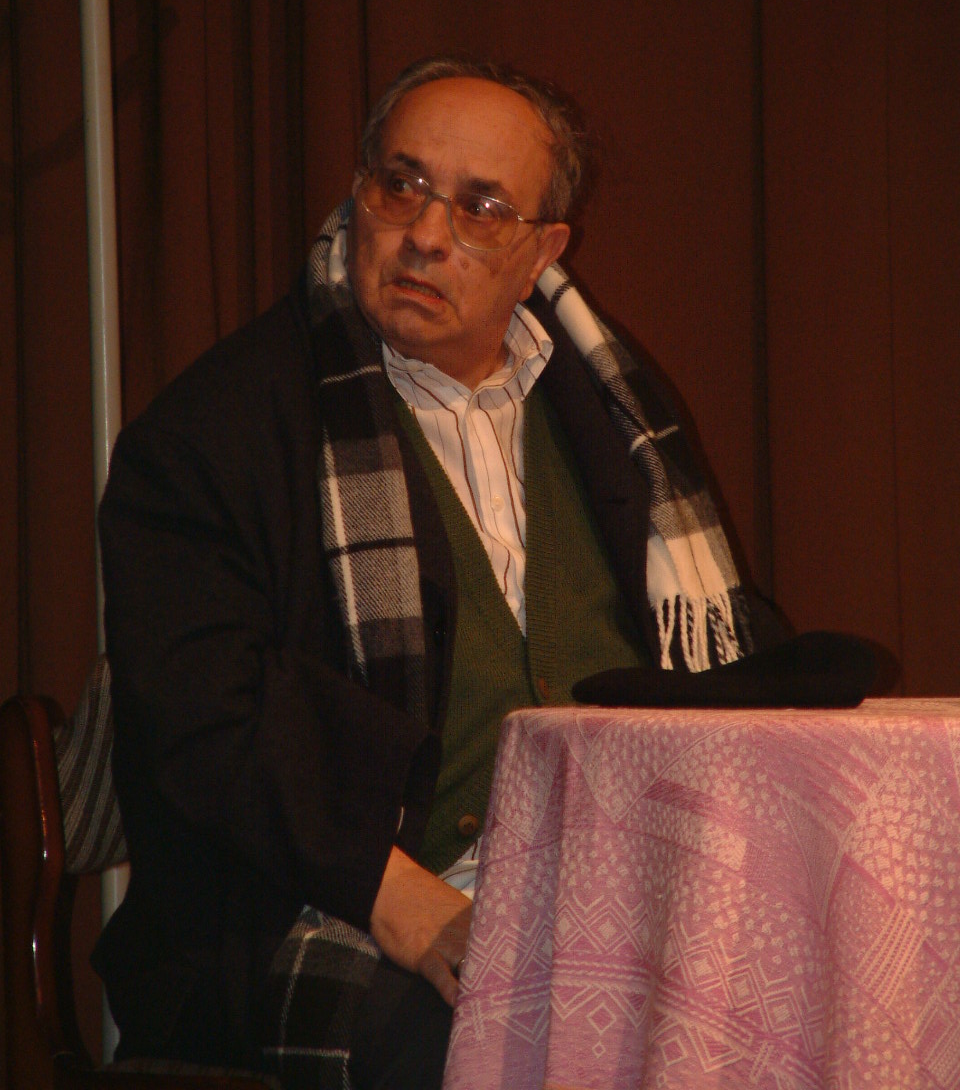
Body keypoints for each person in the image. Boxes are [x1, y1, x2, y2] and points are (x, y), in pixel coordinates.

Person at [95, 57, 785, 1089]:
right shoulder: (214, 431)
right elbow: (198, 729)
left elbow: (715, 660)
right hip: (305, 912)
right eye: (401, 185)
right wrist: (405, 902)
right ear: (357, 193)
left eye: (482, 208)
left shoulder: (616, 419)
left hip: (595, 899)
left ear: (542, 251)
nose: (426, 233)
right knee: (509, 1053)